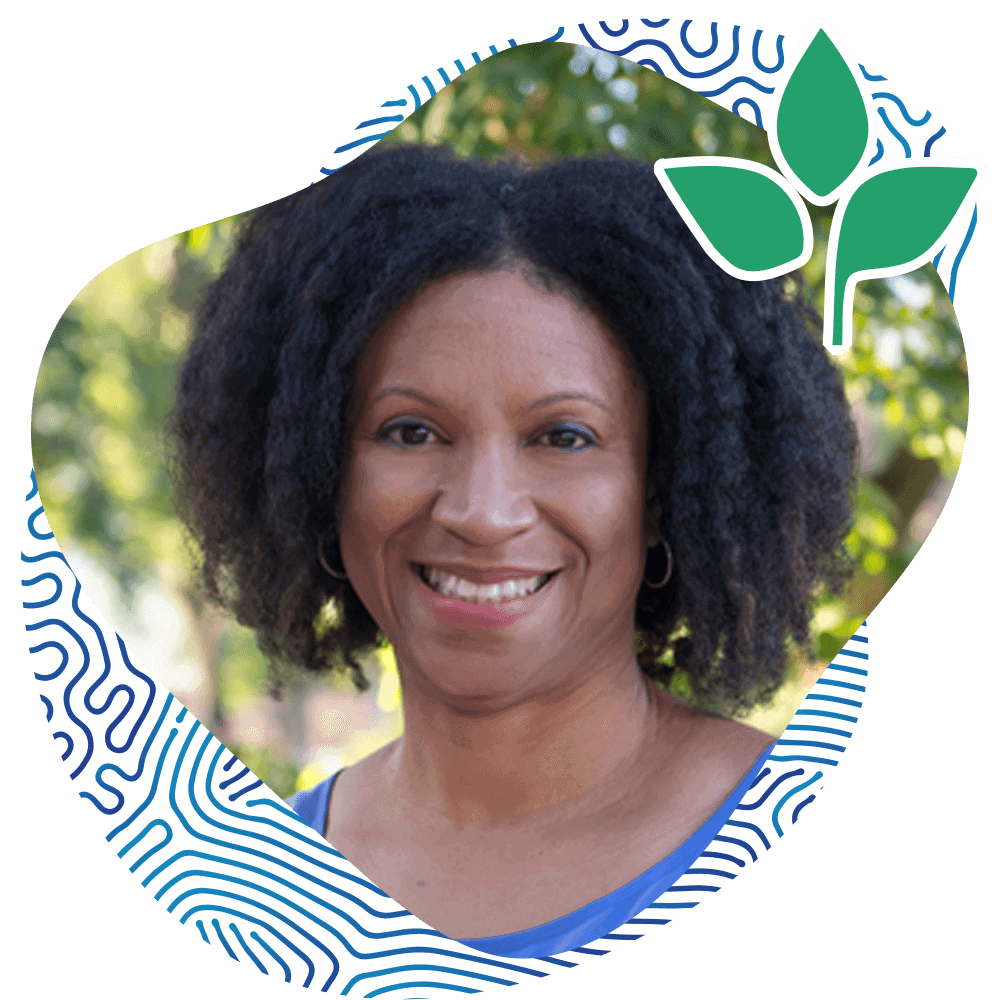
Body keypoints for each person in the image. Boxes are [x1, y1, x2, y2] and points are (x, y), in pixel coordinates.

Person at [165, 143, 858, 958]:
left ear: (663, 491)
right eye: (411, 431)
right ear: (319, 471)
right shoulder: (255, 896)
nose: (482, 513)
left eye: (564, 436)